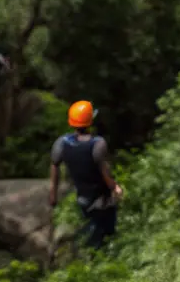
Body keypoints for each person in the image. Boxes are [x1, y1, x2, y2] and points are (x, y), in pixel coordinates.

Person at [49, 101, 124, 249]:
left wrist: (53, 194)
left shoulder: (62, 143)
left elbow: (55, 165)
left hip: (82, 197)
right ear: (90, 122)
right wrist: (115, 187)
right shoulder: (98, 144)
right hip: (101, 200)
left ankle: (89, 252)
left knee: (92, 227)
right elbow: (105, 172)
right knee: (104, 233)